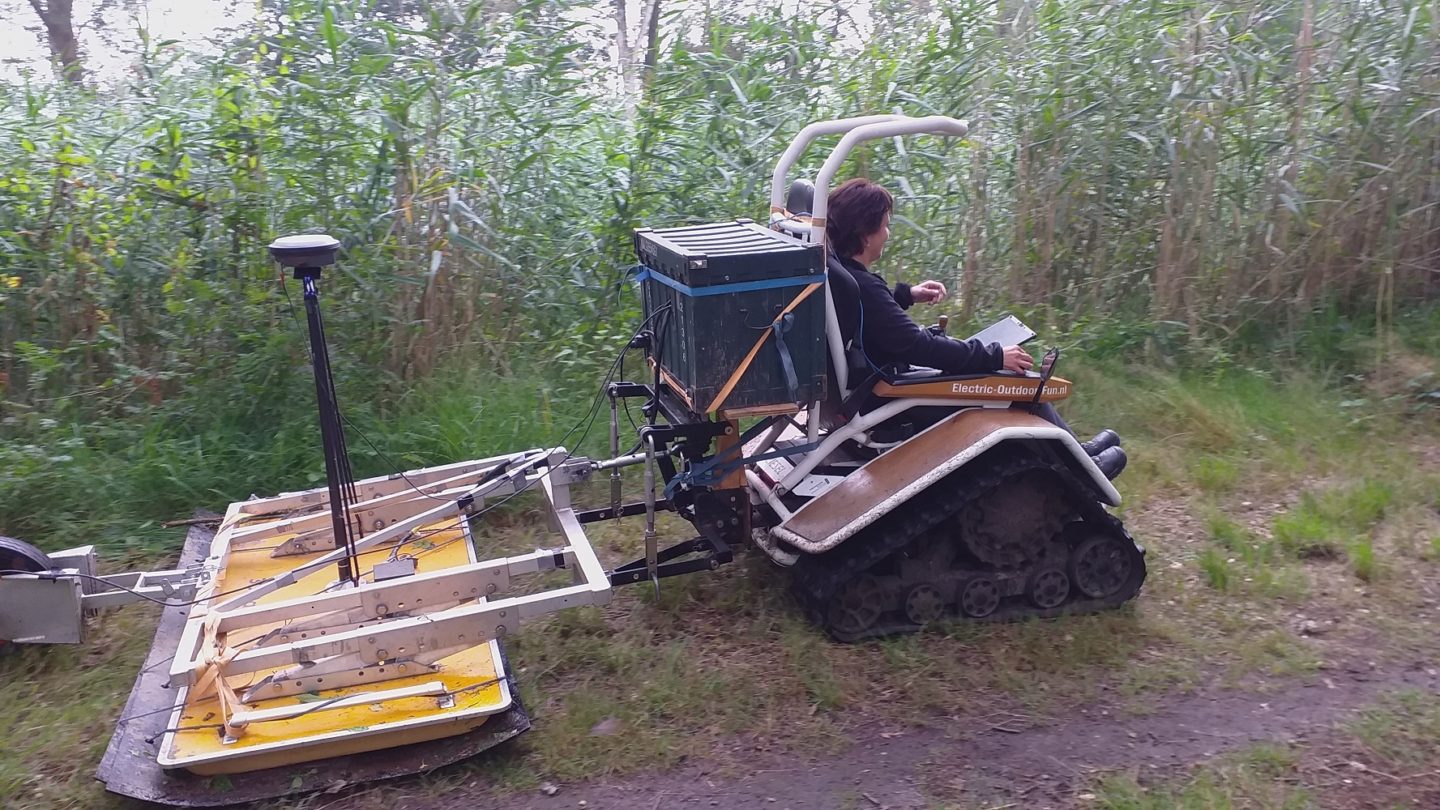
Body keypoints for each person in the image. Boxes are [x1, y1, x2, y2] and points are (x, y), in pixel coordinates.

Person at [825, 178, 1126, 479]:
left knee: (990, 371)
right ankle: (1082, 469)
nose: (888, 234)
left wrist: (907, 295)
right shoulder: (864, 286)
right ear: (865, 235)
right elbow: (917, 345)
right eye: (885, 226)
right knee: (1018, 387)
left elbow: (872, 314)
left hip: (873, 389)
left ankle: (1077, 452)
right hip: (891, 399)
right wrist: (995, 356)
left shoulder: (843, 274)